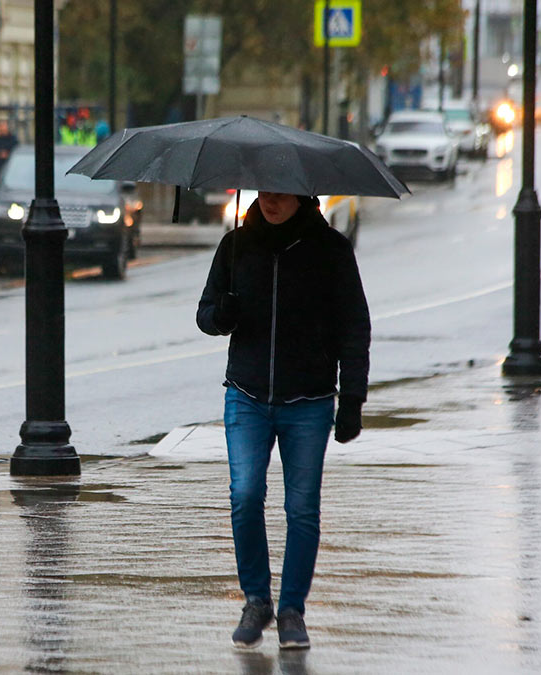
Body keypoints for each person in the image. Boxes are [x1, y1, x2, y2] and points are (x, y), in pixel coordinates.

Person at [196, 192, 371, 651]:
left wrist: (352, 398)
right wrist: (221, 315)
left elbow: (354, 326)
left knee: (302, 508)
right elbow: (205, 314)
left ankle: (292, 610)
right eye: (264, 190)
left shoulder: (331, 250)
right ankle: (256, 601)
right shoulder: (236, 245)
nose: (270, 200)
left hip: (309, 400)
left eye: (280, 192)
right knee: (245, 495)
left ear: (301, 195)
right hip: (246, 395)